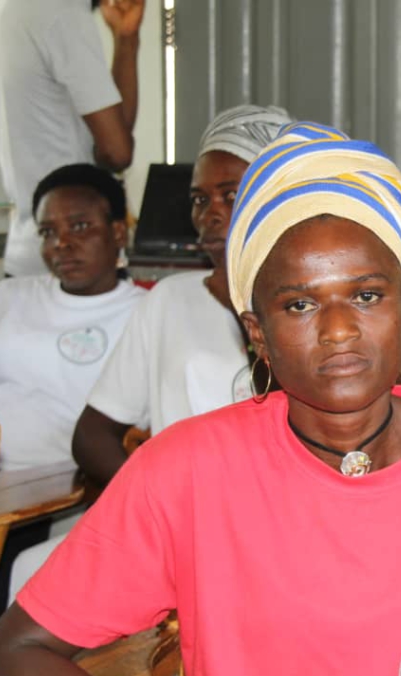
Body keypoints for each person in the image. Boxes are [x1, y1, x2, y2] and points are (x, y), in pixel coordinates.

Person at [0, 123, 401, 676]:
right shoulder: (187, 472)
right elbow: (20, 646)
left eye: (366, 296)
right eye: (300, 304)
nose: (339, 330)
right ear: (256, 333)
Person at [72, 104, 291, 488]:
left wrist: (248, 303)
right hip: (180, 519)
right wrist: (152, 507)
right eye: (201, 199)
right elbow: (92, 435)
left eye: (231, 195)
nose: (211, 215)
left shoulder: (315, 306)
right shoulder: (169, 300)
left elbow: (295, 433)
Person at [0, 164, 145, 617]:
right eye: (48, 231)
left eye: (80, 226)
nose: (61, 243)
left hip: (57, 496)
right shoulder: (9, 297)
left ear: (119, 231)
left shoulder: (144, 312)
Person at [0, 0, 144, 277]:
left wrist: (126, 38)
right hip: (76, 254)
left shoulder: (10, 7)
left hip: (29, 248)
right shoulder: (60, 11)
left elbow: (112, 137)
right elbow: (117, 153)